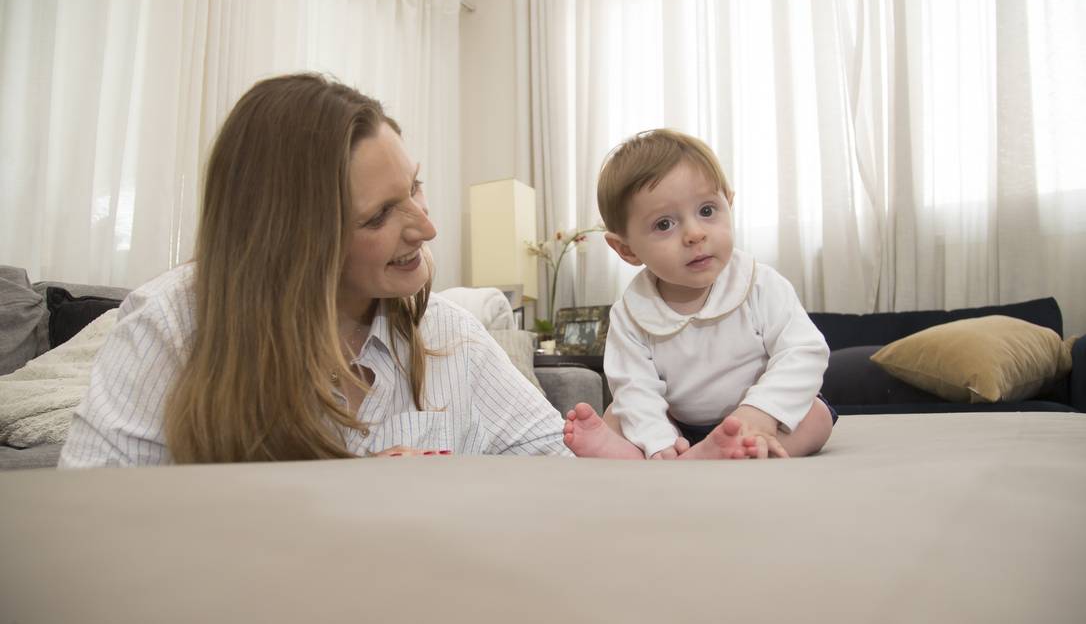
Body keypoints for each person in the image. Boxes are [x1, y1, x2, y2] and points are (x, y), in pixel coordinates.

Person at [60, 73, 569, 466]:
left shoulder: (450, 335)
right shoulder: (169, 328)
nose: (426, 228)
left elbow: (556, 467)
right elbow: (91, 527)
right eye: (378, 216)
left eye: (414, 186)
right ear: (291, 242)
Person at [563, 129, 835, 460]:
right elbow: (635, 386)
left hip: (758, 416)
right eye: (664, 224)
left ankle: (729, 451)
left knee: (816, 417)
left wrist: (760, 413)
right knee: (619, 415)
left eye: (707, 211)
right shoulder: (631, 312)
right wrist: (659, 441)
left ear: (729, 205)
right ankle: (667, 456)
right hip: (679, 426)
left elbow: (803, 352)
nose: (695, 234)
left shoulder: (760, 284)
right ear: (626, 249)